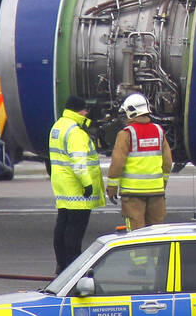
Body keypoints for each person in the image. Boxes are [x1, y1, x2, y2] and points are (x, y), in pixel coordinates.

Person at [48, 94, 104, 273]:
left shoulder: (58, 126)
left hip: (62, 185)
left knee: (62, 224)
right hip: (76, 188)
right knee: (75, 230)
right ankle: (73, 267)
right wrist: (87, 184)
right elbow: (79, 163)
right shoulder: (76, 132)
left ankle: (61, 264)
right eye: (85, 109)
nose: (87, 112)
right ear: (79, 111)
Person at [105, 93, 173, 230]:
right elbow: (168, 162)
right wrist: (162, 183)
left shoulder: (126, 134)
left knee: (136, 235)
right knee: (156, 235)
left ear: (130, 111)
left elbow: (117, 163)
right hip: (156, 193)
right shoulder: (159, 131)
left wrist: (112, 188)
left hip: (133, 194)